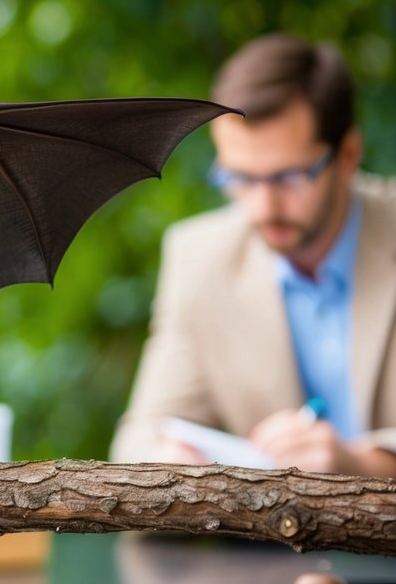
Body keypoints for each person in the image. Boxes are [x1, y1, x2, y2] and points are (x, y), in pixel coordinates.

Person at [111, 33, 396, 477]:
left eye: (288, 177)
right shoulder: (198, 259)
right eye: (240, 177)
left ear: (348, 155)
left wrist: (362, 464)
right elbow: (138, 439)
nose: (263, 208)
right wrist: (165, 465)